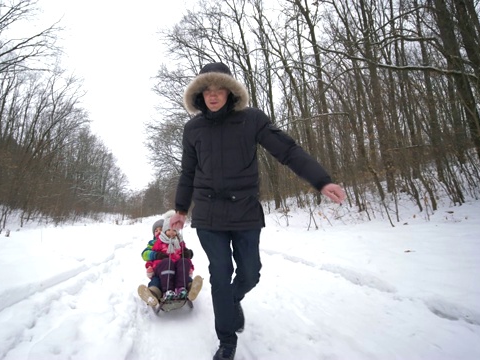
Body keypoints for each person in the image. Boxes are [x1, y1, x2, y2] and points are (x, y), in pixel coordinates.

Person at [169, 62, 347, 360]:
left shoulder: (251, 119)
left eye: (219, 89)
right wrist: (180, 210)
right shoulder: (193, 128)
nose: (213, 96)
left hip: (245, 211)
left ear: (230, 91)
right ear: (200, 94)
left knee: (251, 273)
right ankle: (227, 342)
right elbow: (188, 172)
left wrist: (322, 180)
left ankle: (233, 298)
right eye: (207, 90)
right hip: (209, 214)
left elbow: (287, 151)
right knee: (220, 274)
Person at [138, 211, 203, 306]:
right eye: (156, 230)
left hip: (176, 269)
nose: (159, 232)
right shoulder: (154, 243)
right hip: (161, 270)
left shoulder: (178, 241)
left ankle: (191, 288)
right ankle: (152, 295)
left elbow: (183, 254)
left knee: (184, 277)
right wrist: (154, 257)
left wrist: (189, 255)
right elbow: (145, 255)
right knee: (156, 282)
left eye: (161, 229)